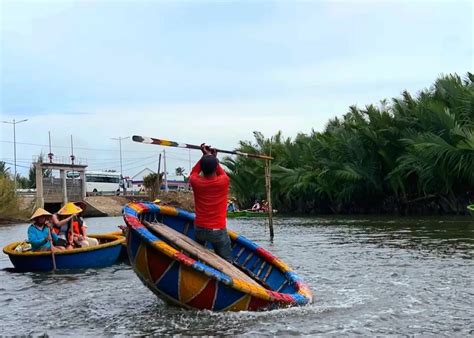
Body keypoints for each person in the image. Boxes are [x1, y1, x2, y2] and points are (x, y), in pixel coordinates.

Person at [189, 143, 232, 261]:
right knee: (227, 260)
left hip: (199, 229)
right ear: (215, 166)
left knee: (196, 258)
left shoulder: (196, 182)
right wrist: (211, 157)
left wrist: (205, 156)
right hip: (217, 231)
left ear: (202, 168)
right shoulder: (224, 181)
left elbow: (194, 172)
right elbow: (220, 171)